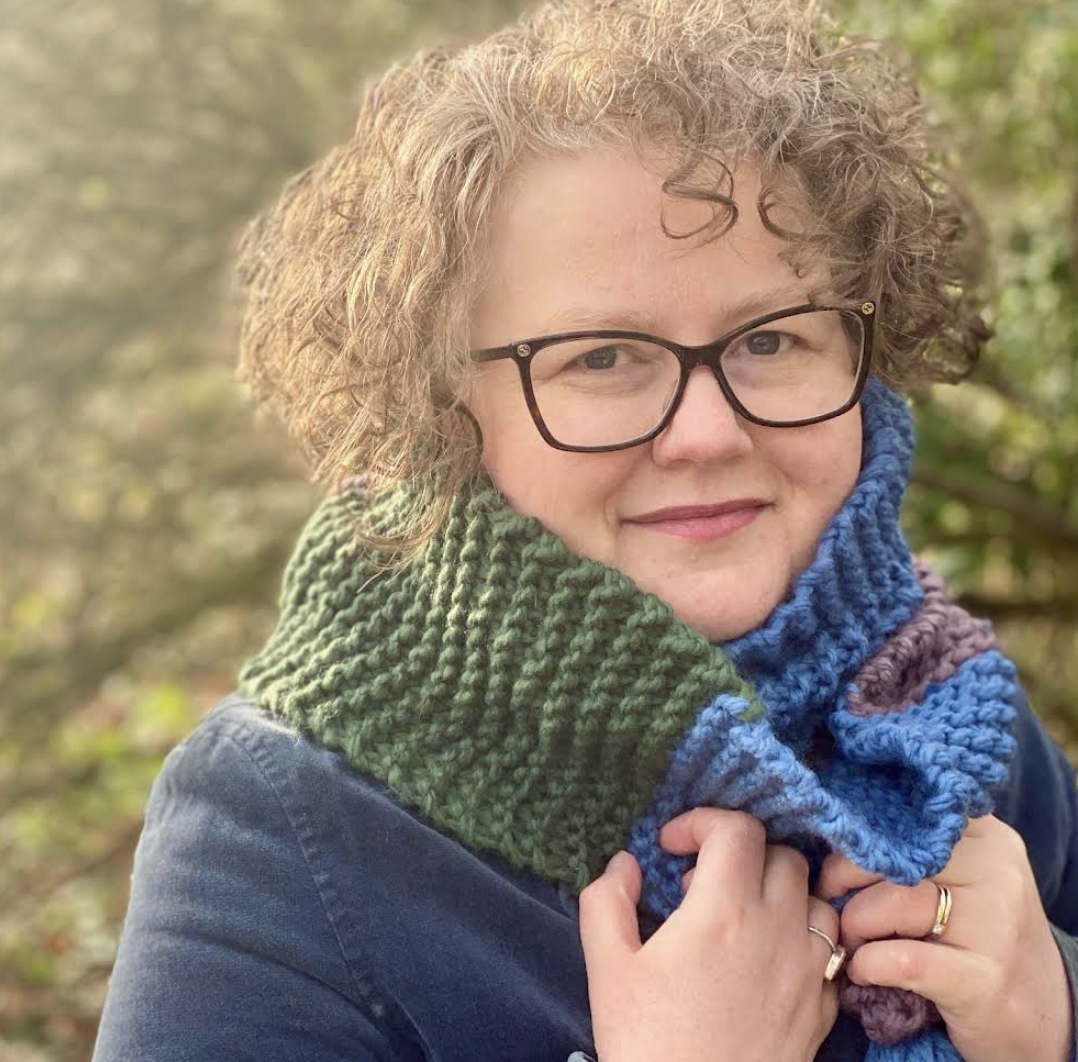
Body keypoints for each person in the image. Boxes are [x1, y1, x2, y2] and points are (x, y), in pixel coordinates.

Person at [91, 1, 1078, 1060]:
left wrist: (1051, 1007)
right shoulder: (273, 827)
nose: (707, 432)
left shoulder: (943, 713)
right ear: (445, 412)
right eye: (601, 359)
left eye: (774, 339)